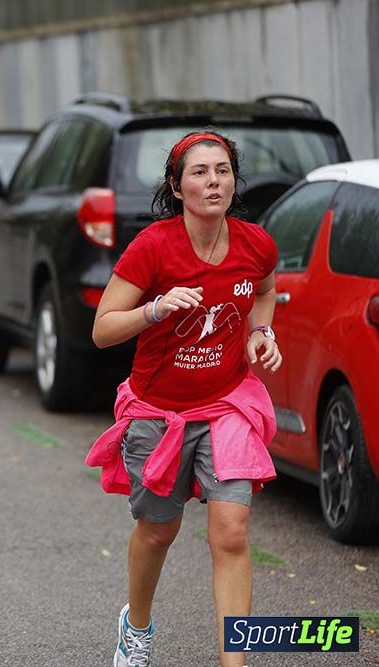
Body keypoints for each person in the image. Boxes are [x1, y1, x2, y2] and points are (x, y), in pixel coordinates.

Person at [86, 130, 282, 667]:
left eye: (222, 170)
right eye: (199, 172)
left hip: (226, 405)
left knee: (232, 530)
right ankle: (138, 628)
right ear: (176, 186)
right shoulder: (153, 247)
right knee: (158, 530)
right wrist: (157, 308)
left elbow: (264, 291)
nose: (213, 181)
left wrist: (261, 335)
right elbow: (103, 330)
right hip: (158, 410)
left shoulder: (254, 243)